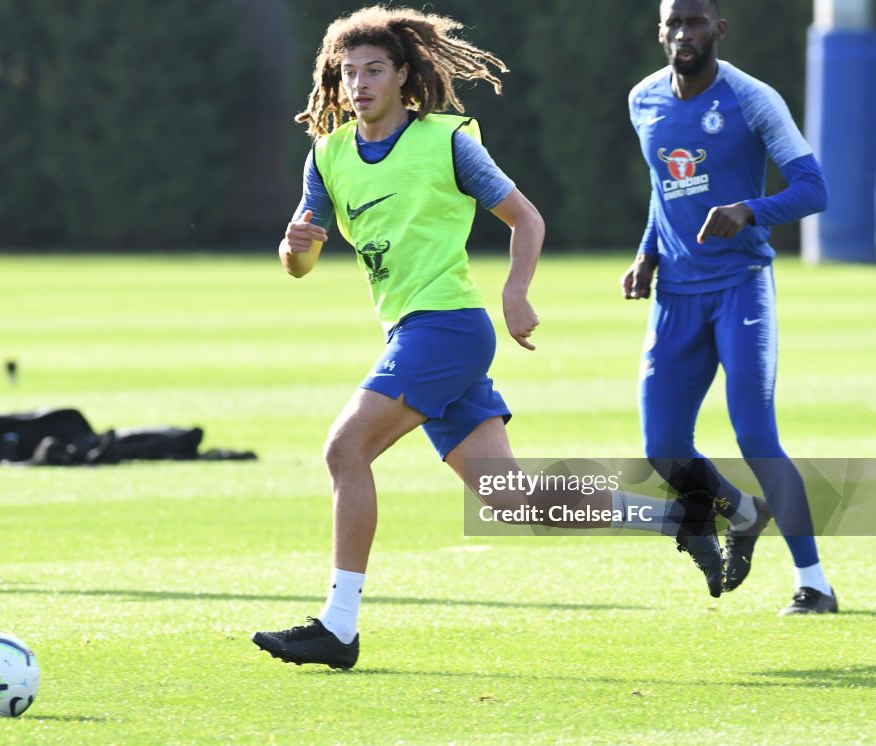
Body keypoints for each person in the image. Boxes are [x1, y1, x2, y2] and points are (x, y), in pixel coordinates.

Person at [253, 5, 723, 671]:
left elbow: (524, 218)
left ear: (404, 74)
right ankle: (678, 516)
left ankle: (339, 625)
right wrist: (292, 247)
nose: (358, 83)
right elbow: (300, 261)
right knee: (514, 500)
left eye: (374, 70)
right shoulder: (327, 156)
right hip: (418, 334)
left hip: (446, 329)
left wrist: (516, 291)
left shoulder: (446, 141)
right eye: (347, 72)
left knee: (343, 450)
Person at [623, 0, 837, 615]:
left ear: (719, 28)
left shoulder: (752, 98)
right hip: (675, 298)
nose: (683, 34)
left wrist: (750, 209)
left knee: (754, 434)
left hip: (741, 284)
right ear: (659, 31)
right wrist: (648, 253)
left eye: (695, 22)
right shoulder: (642, 99)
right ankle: (743, 514)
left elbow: (813, 187)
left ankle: (814, 583)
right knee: (662, 446)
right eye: (672, 23)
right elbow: (663, 187)